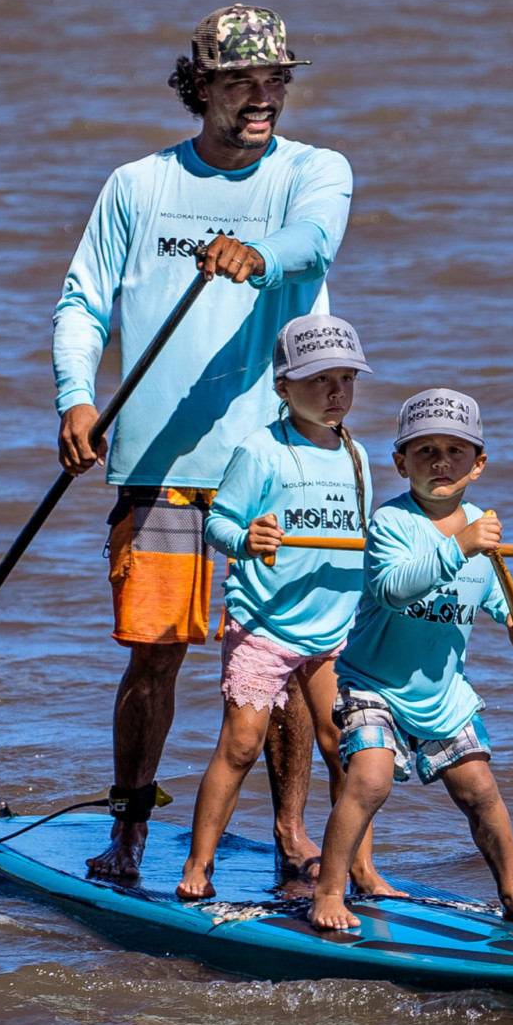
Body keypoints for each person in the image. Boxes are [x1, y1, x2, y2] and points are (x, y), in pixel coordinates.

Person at [53, 5, 354, 885]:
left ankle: (296, 841)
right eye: (241, 84)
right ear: (202, 87)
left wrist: (252, 252)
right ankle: (129, 833)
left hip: (281, 458)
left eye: (276, 82)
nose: (263, 100)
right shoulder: (137, 186)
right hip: (158, 462)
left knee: (289, 660)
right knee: (155, 658)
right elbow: (83, 300)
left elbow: (310, 246)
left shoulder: (314, 172)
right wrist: (77, 398)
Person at [310, 388, 513, 933]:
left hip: (443, 694)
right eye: (424, 451)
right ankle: (328, 890)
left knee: (481, 792)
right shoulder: (390, 525)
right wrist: (460, 546)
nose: (440, 462)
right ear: (400, 463)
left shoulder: (481, 531)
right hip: (372, 683)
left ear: (479, 464)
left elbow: (494, 593)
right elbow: (393, 588)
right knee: (369, 781)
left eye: (455, 450)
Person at [177, 313, 399, 900]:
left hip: (332, 630)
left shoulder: (356, 455)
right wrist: (246, 537)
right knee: (242, 744)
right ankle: (198, 867)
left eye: (347, 380)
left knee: (345, 750)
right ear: (283, 388)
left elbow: (359, 540)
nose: (336, 394)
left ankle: (357, 869)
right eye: (320, 380)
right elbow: (217, 523)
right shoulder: (261, 451)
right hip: (264, 625)